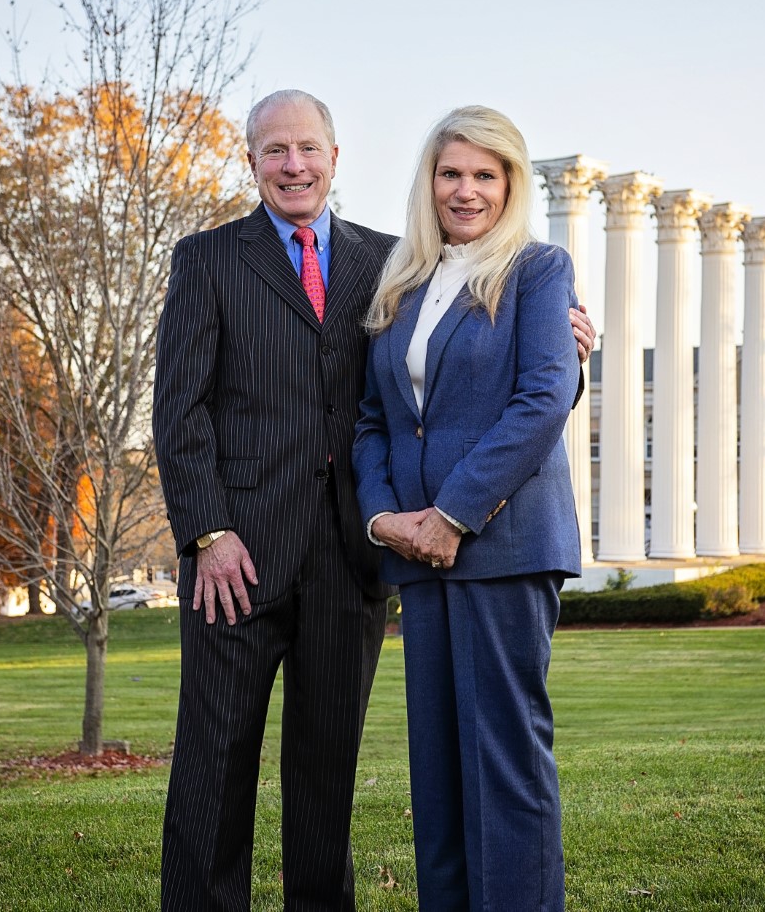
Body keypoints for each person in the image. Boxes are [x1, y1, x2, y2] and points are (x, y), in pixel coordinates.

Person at [153, 90, 592, 911]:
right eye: (275, 151)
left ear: (334, 156)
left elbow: (507, 384)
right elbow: (177, 413)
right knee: (214, 769)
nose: (294, 166)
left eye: (308, 149)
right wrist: (207, 531)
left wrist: (574, 357)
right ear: (252, 161)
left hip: (352, 564)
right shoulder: (209, 260)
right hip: (238, 558)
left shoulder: (389, 262)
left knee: (326, 777)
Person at [353, 106, 581, 911]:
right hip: (418, 554)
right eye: (451, 172)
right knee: (439, 770)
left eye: (486, 174)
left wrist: (451, 514)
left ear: (511, 184)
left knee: (505, 767)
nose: (467, 189)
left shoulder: (539, 271)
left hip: (504, 544)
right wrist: (388, 521)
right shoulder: (404, 281)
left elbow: (544, 397)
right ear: (430, 180)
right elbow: (377, 418)